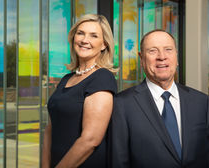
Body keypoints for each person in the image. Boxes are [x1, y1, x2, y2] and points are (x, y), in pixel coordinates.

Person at [109, 29, 209, 168]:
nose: (162, 57)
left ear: (176, 56)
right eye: (152, 51)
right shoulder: (122, 105)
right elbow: (119, 162)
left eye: (168, 49)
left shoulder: (202, 102)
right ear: (141, 58)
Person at [42, 14, 117, 168]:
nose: (84, 40)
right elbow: (50, 128)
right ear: (73, 38)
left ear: (104, 45)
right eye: (80, 33)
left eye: (94, 36)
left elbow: (90, 140)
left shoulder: (102, 78)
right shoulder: (66, 79)